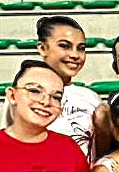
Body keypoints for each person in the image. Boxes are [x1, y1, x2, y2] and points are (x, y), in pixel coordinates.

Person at [37, 15, 109, 160]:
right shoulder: (25, 95)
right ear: (43, 48)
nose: (75, 55)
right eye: (64, 46)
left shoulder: (91, 98)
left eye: (81, 48)